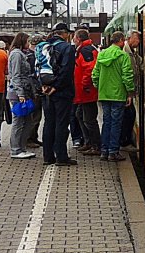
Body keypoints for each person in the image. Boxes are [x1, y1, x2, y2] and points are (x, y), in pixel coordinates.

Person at [91, 30, 134, 161]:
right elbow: (127, 76)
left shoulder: (102, 54)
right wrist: (130, 92)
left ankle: (104, 151)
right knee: (116, 124)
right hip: (118, 95)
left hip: (104, 94)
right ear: (120, 40)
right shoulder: (123, 56)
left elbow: (95, 74)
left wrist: (99, 87)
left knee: (106, 122)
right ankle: (113, 152)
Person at [41, 23, 77, 166]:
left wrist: (44, 86)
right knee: (61, 123)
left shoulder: (44, 47)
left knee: (49, 122)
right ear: (65, 34)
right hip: (62, 92)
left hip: (46, 91)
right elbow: (66, 71)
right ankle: (61, 156)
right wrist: (56, 87)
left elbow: (38, 67)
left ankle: (48, 156)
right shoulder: (67, 48)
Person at [7, 32, 40, 159]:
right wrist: (21, 94)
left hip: (24, 91)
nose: (29, 43)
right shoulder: (16, 54)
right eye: (27, 41)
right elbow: (16, 75)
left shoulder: (19, 53)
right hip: (19, 93)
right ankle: (16, 149)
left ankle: (21, 148)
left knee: (27, 121)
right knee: (19, 121)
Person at [72, 28, 101, 155]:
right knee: (80, 115)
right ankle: (89, 142)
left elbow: (90, 69)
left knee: (89, 119)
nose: (73, 40)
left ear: (78, 38)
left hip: (87, 91)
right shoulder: (86, 49)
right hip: (84, 91)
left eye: (74, 37)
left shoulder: (85, 50)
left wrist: (84, 84)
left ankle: (96, 145)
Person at [120, 30, 142, 148]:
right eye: (137, 38)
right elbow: (127, 74)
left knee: (130, 115)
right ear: (129, 39)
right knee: (128, 115)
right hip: (125, 91)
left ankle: (125, 139)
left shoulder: (133, 52)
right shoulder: (125, 52)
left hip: (130, 90)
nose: (138, 41)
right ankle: (124, 141)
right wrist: (129, 92)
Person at [25, 35, 44, 147]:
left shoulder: (29, 55)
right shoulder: (33, 57)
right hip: (34, 89)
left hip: (33, 89)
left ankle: (33, 137)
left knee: (36, 115)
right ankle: (29, 138)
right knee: (34, 115)